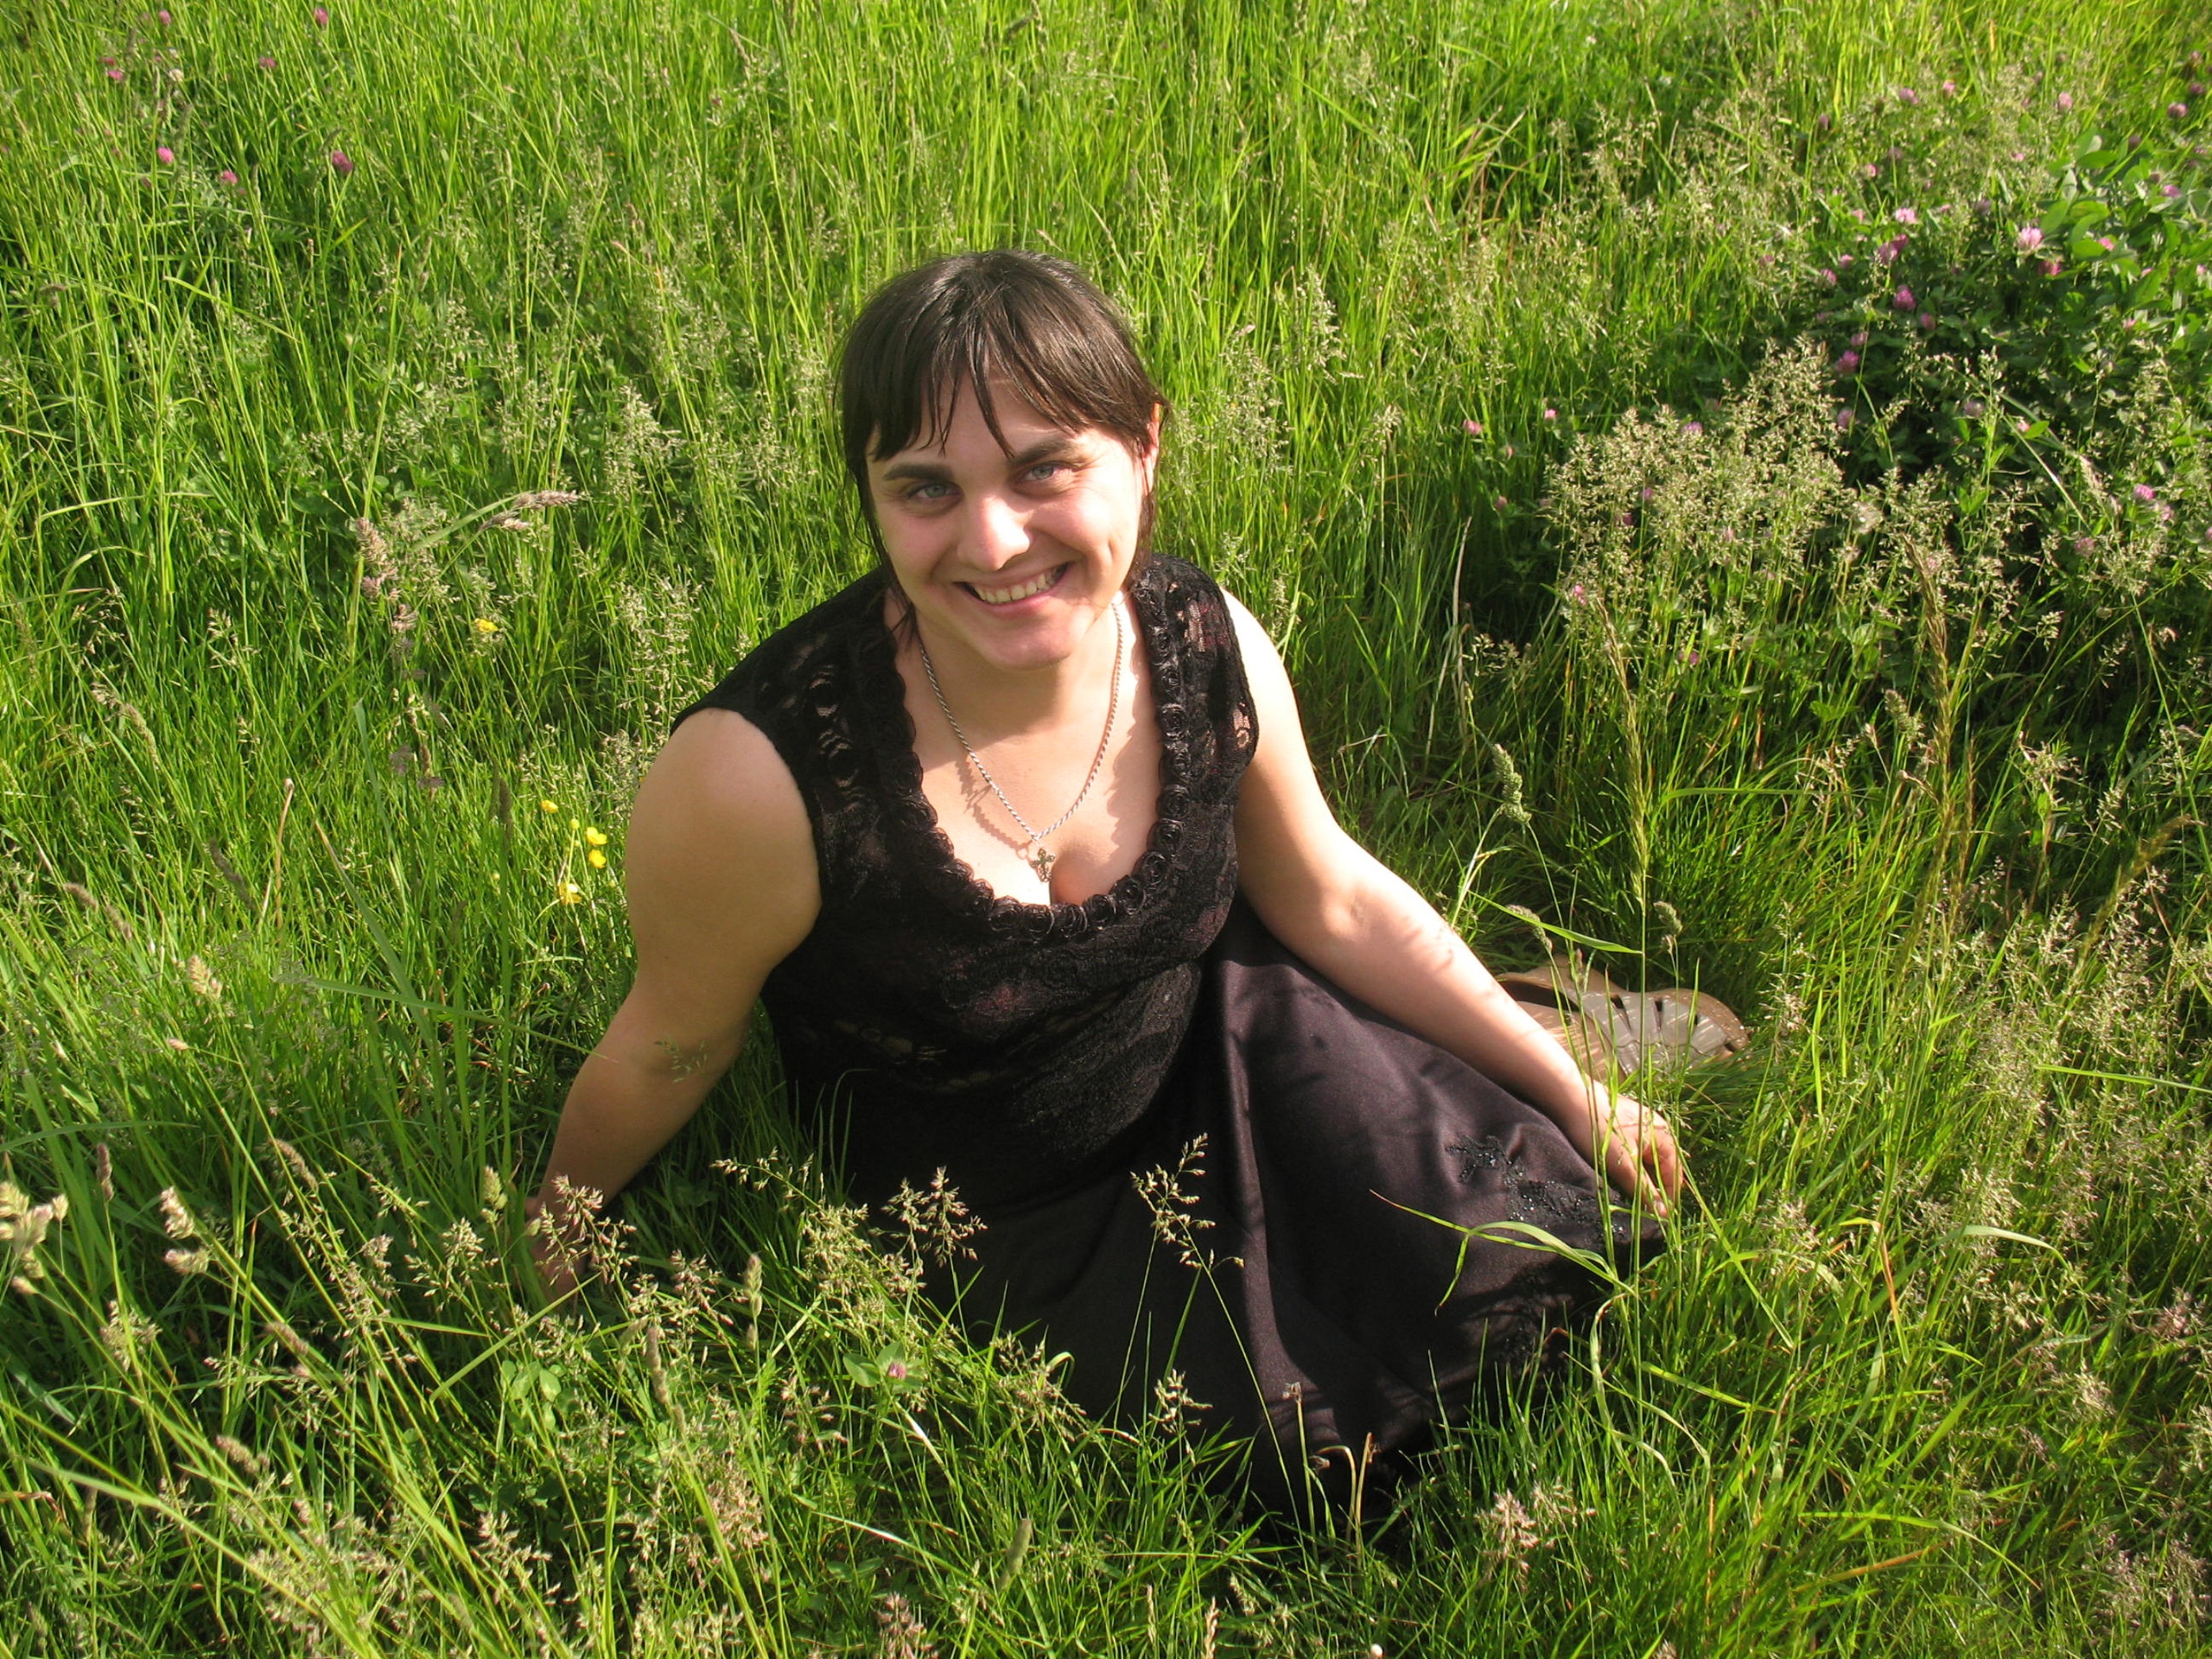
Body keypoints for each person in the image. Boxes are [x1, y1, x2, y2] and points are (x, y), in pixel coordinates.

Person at [527, 250, 1683, 1513]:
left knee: (1537, 1247)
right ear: (870, 495)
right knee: (1292, 1467)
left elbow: (1332, 897)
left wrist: (1574, 1091)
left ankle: (1557, 1029)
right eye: (926, 487)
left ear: (1144, 449)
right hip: (1001, 1205)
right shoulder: (759, 778)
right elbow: (670, 1045)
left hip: (1231, 1037)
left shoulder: (1202, 642)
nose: (994, 541)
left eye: (1045, 469)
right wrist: (550, 1238)